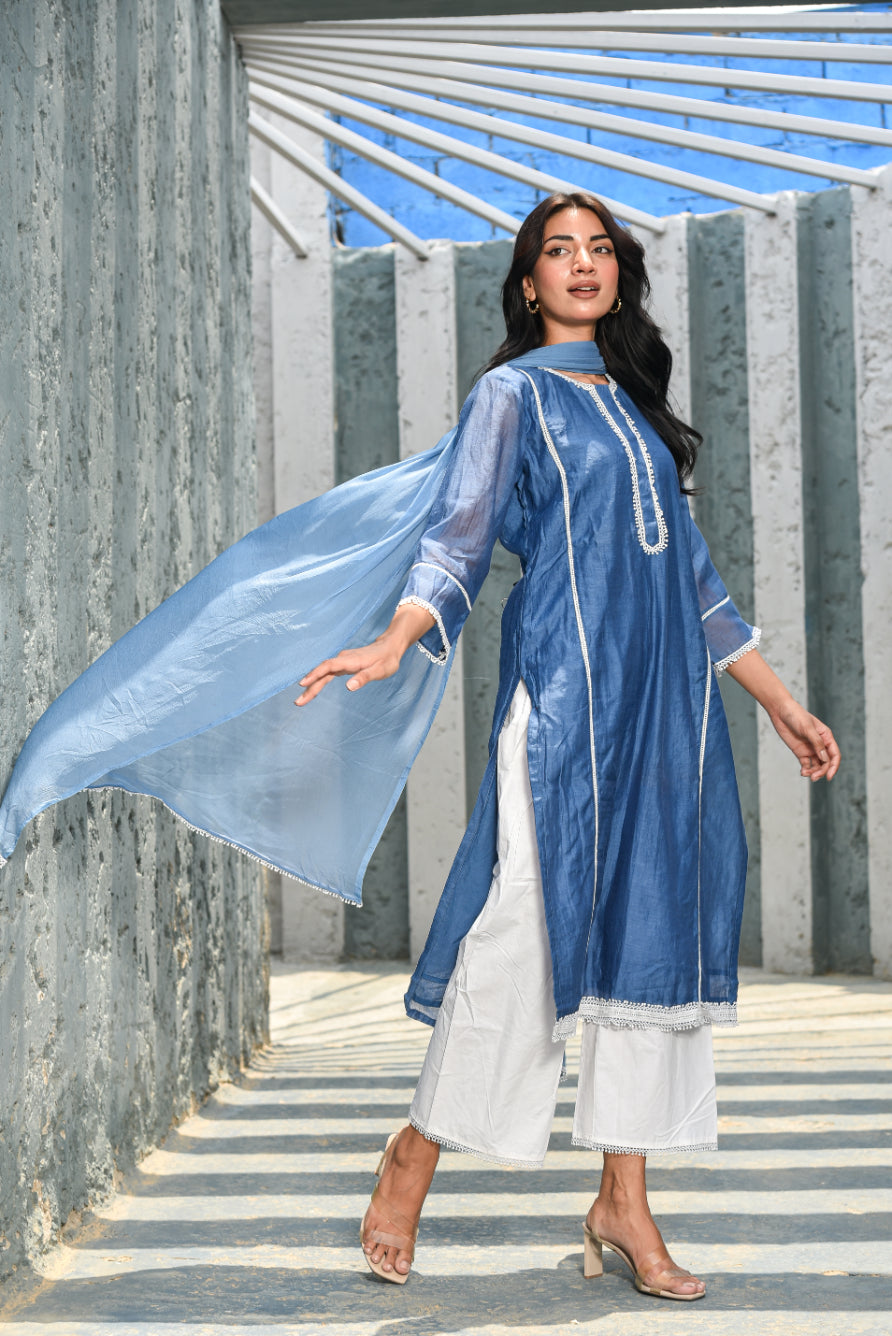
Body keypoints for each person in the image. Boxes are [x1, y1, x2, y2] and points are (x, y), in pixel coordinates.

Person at [294, 191, 841, 1300]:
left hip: (665, 715)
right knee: (519, 931)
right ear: (528, 280)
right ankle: (416, 1150)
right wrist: (397, 636)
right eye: (559, 250)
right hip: (564, 700)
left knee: (650, 931)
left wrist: (777, 700)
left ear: (618, 275)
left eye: (598, 249)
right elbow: (457, 535)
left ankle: (623, 1199)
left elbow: (694, 583)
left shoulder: (637, 407)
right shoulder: (507, 396)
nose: (582, 264)